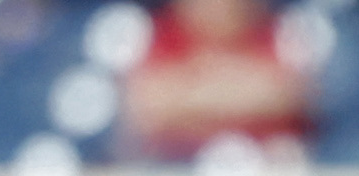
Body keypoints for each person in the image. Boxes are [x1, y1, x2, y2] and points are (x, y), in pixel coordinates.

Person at [123, 0, 316, 161]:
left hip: (267, 172)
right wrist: (241, 87)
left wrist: (190, 91)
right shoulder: (157, 34)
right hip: (176, 169)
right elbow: (148, 107)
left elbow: (289, 96)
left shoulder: (280, 32)